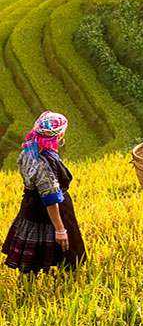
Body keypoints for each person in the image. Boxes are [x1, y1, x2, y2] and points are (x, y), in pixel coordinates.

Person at [2, 111, 87, 275]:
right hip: (51, 210)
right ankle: (62, 283)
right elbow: (50, 198)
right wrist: (60, 229)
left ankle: (30, 284)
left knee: (32, 259)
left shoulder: (28, 150)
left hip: (30, 206)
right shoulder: (43, 162)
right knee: (66, 255)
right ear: (59, 135)